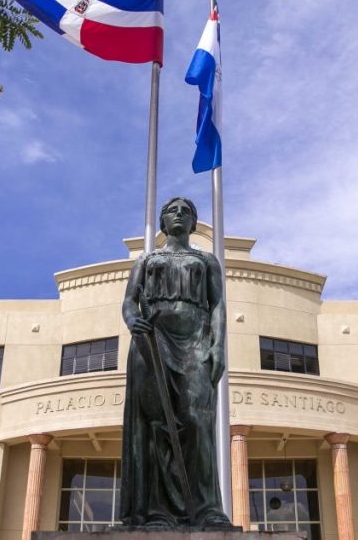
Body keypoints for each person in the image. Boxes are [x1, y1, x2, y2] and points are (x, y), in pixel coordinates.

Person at [118, 197, 233, 529]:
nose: (179, 214)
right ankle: (158, 513)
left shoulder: (206, 260)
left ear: (194, 223)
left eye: (187, 211)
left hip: (195, 339)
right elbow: (129, 301)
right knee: (156, 425)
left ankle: (208, 509)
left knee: (197, 420)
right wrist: (131, 320)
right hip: (152, 342)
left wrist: (218, 346)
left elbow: (217, 305)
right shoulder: (147, 259)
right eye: (172, 210)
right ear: (163, 221)